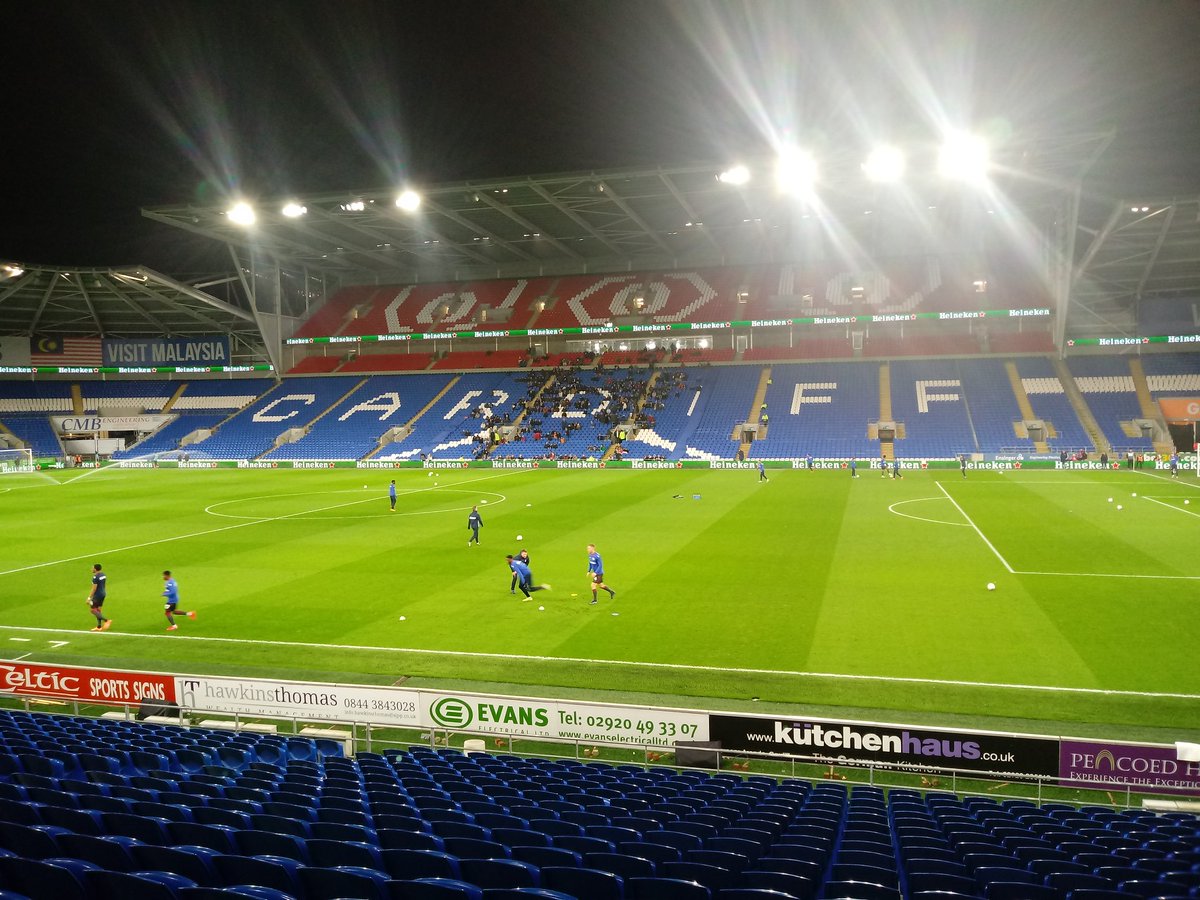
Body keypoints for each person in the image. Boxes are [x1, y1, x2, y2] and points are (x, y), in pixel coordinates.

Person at [87, 563, 112, 632]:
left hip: (97, 595)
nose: (91, 569)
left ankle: (107, 620)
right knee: (98, 610)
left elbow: (94, 589)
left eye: (92, 568)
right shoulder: (103, 575)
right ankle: (99, 626)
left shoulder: (95, 577)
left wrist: (89, 598)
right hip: (103, 593)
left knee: (93, 610)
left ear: (95, 569)